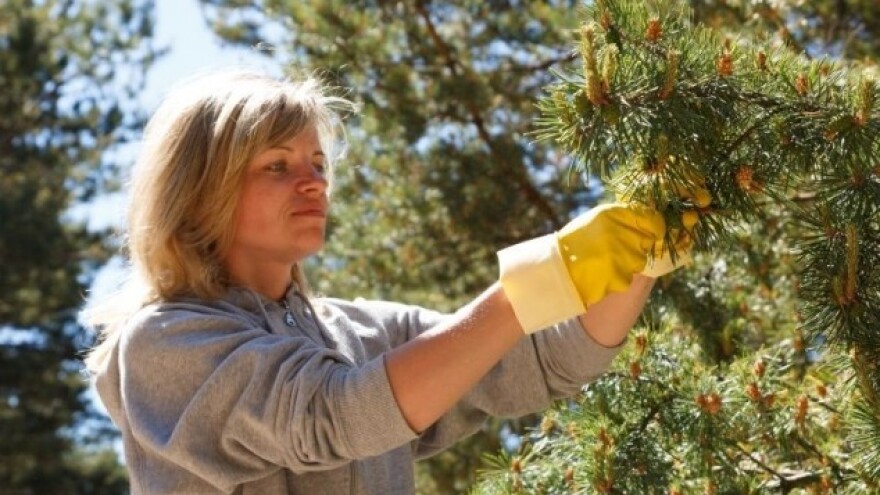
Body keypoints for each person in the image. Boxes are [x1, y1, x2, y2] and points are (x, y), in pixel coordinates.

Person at [83, 70, 708, 495]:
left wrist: (637, 260)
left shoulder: (360, 331)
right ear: (197, 192)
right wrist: (539, 279)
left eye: (318, 164)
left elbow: (541, 361)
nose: (314, 183)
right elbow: (330, 415)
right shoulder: (163, 343)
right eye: (277, 165)